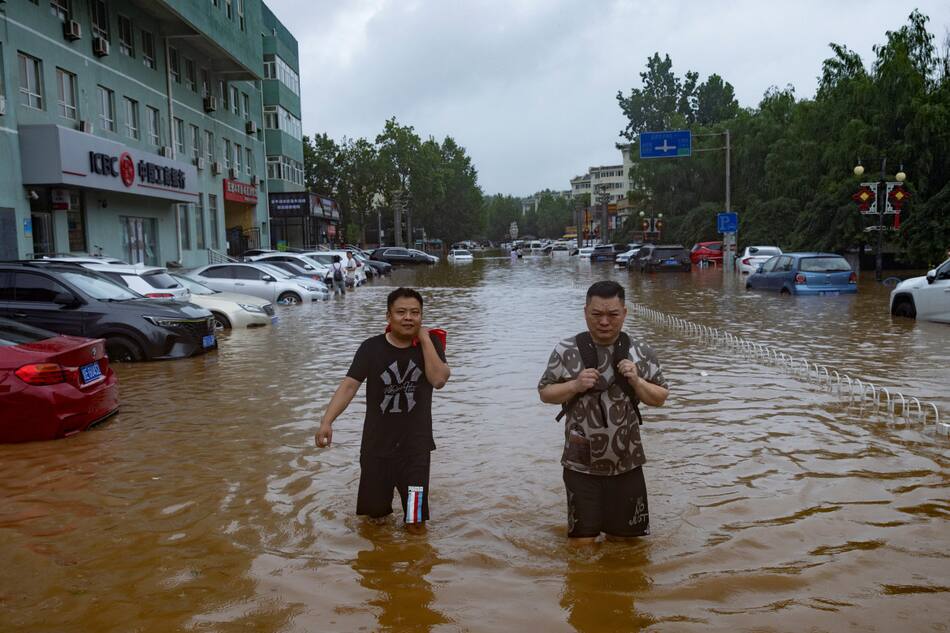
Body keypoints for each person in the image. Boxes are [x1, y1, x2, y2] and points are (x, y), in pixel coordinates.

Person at [538, 280, 669, 544]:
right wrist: (575, 384)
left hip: (628, 462)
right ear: (585, 312)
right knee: (581, 546)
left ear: (625, 313)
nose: (605, 322)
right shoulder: (566, 350)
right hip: (580, 465)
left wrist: (637, 381)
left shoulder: (641, 352)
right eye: (597, 314)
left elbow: (660, 398)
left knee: (627, 547)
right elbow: (545, 393)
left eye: (613, 314)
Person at [316, 287, 451, 533]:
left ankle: (415, 566)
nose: (408, 317)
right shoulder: (371, 348)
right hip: (376, 448)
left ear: (422, 316)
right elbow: (348, 386)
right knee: (375, 521)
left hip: (416, 451)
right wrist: (327, 421)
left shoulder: (430, 346)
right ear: (388, 316)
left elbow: (439, 380)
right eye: (401, 312)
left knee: (416, 521)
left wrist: (424, 340)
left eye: (415, 312)